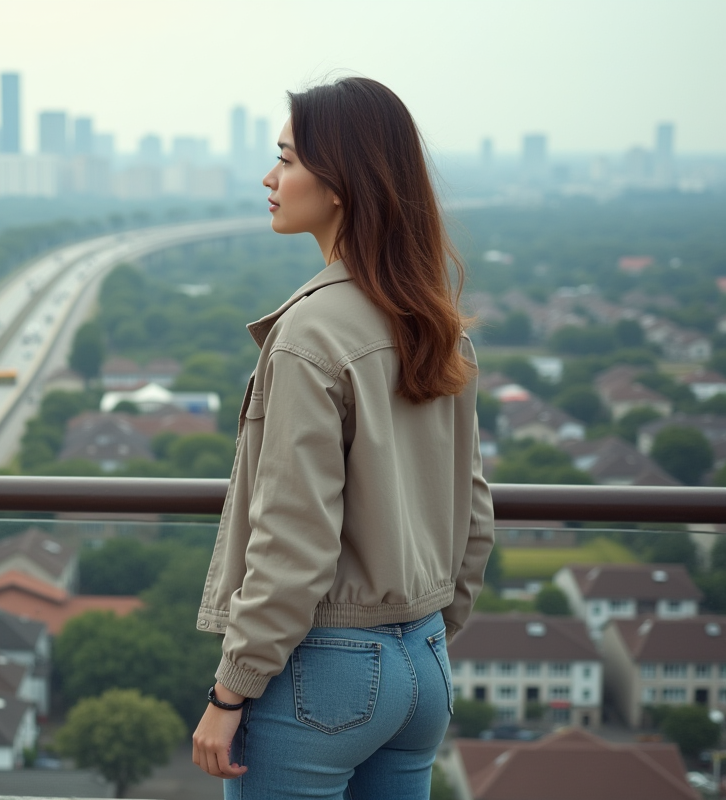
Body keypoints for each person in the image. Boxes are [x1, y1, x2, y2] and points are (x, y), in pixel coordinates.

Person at [191, 76, 495, 799]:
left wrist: (229, 692)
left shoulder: (309, 336)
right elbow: (474, 513)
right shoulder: (432, 321)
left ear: (339, 184)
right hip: (421, 664)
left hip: (322, 674)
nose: (270, 178)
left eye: (288, 159)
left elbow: (293, 536)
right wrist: (419, 637)